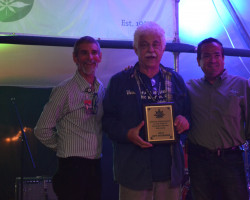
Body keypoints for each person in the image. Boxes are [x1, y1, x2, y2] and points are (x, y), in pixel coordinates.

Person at [102, 21, 190, 200]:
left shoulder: (176, 80)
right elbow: (108, 122)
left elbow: (189, 114)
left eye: (156, 44)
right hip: (133, 174)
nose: (151, 50)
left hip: (169, 173)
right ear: (135, 49)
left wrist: (185, 120)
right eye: (144, 45)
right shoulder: (120, 82)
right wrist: (127, 134)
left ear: (163, 47)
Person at [186, 37, 250, 200]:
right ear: (198, 61)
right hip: (199, 163)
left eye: (217, 55)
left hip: (231, 162)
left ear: (223, 59)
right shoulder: (189, 88)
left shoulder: (242, 85)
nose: (212, 60)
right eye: (206, 56)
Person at [34, 36, 105, 200]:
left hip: (95, 165)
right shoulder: (64, 90)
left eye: (94, 53)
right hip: (71, 167)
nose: (90, 57)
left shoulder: (101, 89)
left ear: (100, 57)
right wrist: (63, 147)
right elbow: (41, 130)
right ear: (75, 58)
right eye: (84, 53)